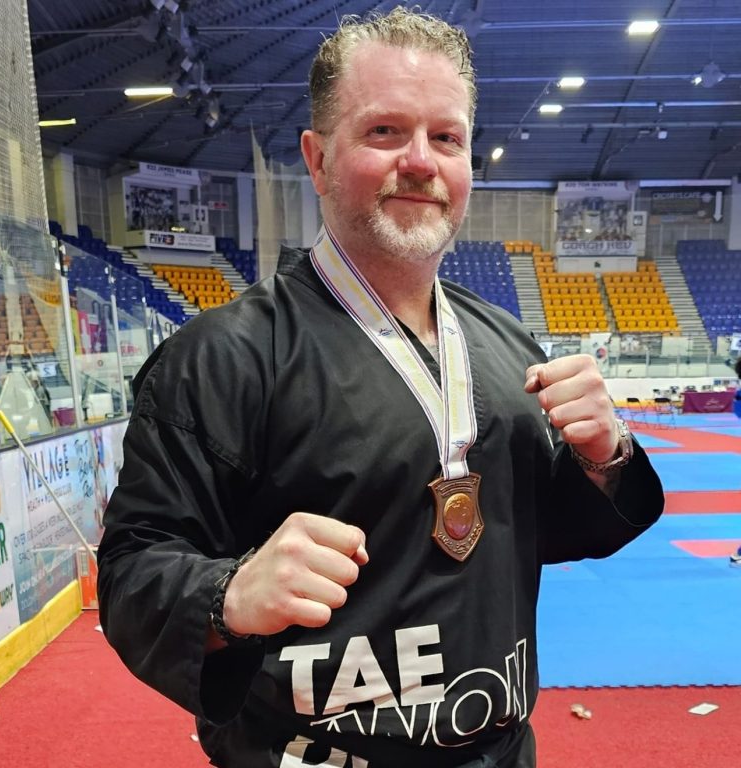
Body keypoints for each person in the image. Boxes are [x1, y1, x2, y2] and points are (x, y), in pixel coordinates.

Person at [97, 8, 664, 767]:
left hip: (499, 750)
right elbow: (133, 572)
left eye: (447, 137)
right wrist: (229, 595)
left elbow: (537, 532)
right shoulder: (221, 359)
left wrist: (607, 457)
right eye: (385, 132)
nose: (422, 162)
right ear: (319, 157)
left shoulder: (508, 347)